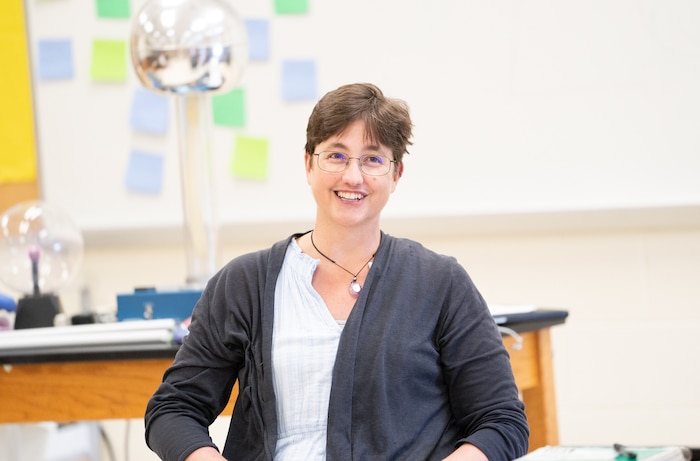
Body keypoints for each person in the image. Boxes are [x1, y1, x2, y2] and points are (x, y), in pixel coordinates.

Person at [144, 83, 529, 461]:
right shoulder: (244, 283)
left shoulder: (439, 283)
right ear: (309, 164)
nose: (353, 177)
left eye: (373, 159)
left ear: (396, 175)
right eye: (336, 155)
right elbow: (173, 409)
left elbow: (501, 421)